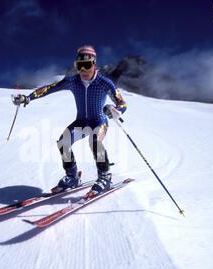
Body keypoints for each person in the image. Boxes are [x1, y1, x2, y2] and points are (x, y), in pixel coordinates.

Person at [12, 45, 127, 196]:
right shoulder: (73, 81)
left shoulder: (105, 83)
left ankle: (105, 176)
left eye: (87, 65)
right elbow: (48, 88)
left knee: (95, 141)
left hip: (99, 121)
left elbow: (122, 104)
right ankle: (72, 177)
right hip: (81, 122)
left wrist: (115, 110)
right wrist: (28, 98)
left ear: (94, 64)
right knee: (63, 142)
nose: (83, 70)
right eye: (79, 66)